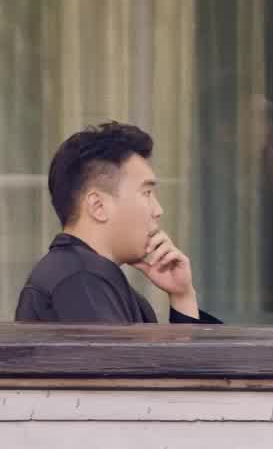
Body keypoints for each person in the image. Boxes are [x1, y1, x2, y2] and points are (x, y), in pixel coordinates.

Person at [15, 122, 218, 324]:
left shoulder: (84, 276)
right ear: (98, 206)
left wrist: (182, 296)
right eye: (146, 193)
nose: (158, 210)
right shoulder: (80, 280)